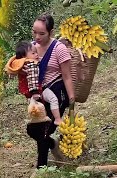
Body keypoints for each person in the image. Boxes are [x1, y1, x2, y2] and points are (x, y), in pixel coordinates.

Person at [26, 13, 75, 168]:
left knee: (44, 131)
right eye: (34, 32)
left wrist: (72, 98)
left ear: (51, 32)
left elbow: (67, 76)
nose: (37, 36)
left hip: (57, 94)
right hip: (40, 95)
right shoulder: (31, 48)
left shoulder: (59, 49)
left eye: (42, 33)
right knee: (34, 129)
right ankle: (54, 145)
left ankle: (41, 169)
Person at [6, 41, 63, 125]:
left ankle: (39, 119)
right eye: (33, 53)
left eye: (36, 52)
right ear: (24, 56)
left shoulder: (21, 63)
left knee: (35, 107)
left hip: (31, 91)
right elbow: (32, 78)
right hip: (35, 90)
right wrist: (35, 92)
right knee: (52, 99)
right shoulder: (30, 64)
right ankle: (57, 119)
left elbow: (11, 70)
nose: (36, 55)